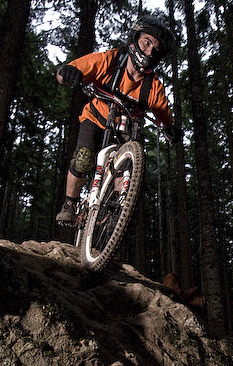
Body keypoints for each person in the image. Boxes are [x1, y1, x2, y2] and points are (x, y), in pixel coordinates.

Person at [55, 15, 180, 224]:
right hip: (95, 118)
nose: (149, 51)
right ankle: (69, 203)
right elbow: (63, 73)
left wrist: (169, 128)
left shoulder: (154, 86)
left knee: (124, 172)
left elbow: (163, 113)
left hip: (125, 129)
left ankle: (113, 216)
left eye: (155, 49)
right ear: (134, 38)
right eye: (146, 42)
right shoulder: (110, 60)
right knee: (83, 157)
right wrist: (67, 74)